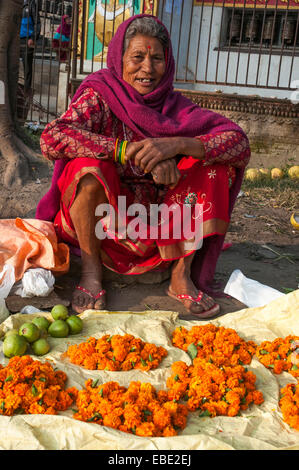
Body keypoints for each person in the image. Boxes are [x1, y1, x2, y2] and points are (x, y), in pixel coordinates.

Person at [36, 14, 250, 320]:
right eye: (137, 57)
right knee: (87, 167)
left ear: (168, 63)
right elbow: (52, 138)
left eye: (157, 58)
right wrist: (126, 151)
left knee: (213, 166)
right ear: (119, 59)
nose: (147, 69)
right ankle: (92, 273)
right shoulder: (100, 96)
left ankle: (180, 274)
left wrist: (178, 145)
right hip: (104, 224)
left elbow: (239, 144)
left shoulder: (176, 108)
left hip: (160, 224)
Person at [19, 0, 41, 94]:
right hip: (15, 39)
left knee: (27, 67)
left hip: (27, 39)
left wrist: (33, 37)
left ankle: (26, 90)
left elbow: (37, 22)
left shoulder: (31, 4)